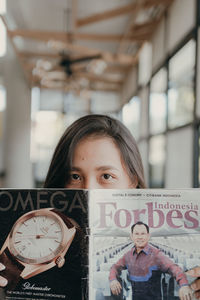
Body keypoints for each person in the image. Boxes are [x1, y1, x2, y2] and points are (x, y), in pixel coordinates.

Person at [0, 114, 199, 297]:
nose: (88, 189)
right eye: (75, 176)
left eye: (106, 176)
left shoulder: (154, 253)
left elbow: (172, 268)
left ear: (133, 182)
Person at [109, 221, 192, 300]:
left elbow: (173, 268)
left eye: (143, 233)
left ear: (148, 236)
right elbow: (115, 267)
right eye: (136, 234)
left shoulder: (156, 255)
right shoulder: (128, 256)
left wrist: (183, 284)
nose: (140, 237)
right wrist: (113, 279)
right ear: (132, 236)